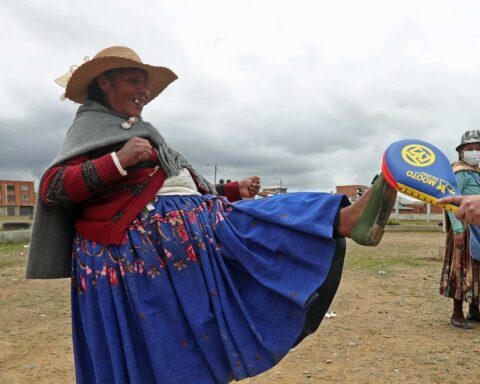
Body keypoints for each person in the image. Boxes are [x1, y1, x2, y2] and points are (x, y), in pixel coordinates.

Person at [27, 46, 397, 384]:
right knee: (251, 228)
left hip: (182, 228)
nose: (143, 90)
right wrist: (116, 162)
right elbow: (54, 188)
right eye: (133, 80)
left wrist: (232, 190)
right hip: (133, 250)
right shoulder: (89, 128)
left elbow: (175, 184)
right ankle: (342, 220)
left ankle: (344, 218)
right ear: (105, 82)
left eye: (145, 84)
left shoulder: (143, 131)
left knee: (252, 221)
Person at [439, 130, 480, 329]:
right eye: (470, 149)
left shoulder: (478, 172)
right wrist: (457, 230)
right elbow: (451, 201)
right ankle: (457, 313)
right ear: (461, 153)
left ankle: (474, 309)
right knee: (461, 269)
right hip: (463, 228)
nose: (474, 152)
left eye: (478, 149)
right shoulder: (459, 172)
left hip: (478, 229)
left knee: (477, 269)